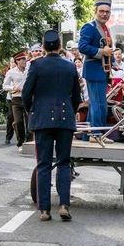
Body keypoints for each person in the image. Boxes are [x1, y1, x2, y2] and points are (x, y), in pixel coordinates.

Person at [23, 30, 82, 221]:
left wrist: (33, 109)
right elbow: (76, 97)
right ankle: (64, 204)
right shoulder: (70, 67)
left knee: (43, 165)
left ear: (43, 46)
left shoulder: (36, 65)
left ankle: (44, 210)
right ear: (59, 46)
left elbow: (25, 94)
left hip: (42, 119)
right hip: (65, 118)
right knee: (64, 163)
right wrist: (71, 112)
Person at [78, 0, 114, 139]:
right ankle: (97, 134)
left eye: (107, 12)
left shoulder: (106, 28)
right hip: (94, 70)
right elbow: (82, 47)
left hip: (102, 71)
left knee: (96, 104)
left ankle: (88, 136)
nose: (104, 14)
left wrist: (113, 61)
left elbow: (108, 49)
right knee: (99, 105)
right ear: (95, 12)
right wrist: (101, 52)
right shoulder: (89, 27)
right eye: (102, 11)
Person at [2, 51, 29, 152]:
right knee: (18, 122)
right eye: (22, 60)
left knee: (29, 122)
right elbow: (4, 86)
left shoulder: (29, 70)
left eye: (25, 59)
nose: (25, 61)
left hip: (27, 98)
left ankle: (29, 142)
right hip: (16, 99)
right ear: (17, 61)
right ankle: (20, 143)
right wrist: (13, 87)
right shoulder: (11, 72)